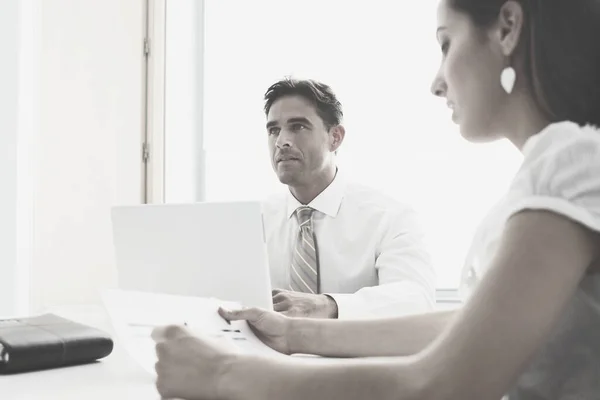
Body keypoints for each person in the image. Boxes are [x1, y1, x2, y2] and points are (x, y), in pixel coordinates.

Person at [152, 0, 600, 398]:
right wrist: (294, 334)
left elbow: (443, 384)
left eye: (446, 44)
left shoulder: (572, 162)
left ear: (507, 28)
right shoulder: (560, 167)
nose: (437, 83)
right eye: (273, 129)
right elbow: (470, 330)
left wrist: (223, 374)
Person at [261, 78, 436, 319]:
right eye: (274, 130)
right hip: (264, 355)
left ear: (335, 137)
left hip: (352, 356)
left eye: (298, 127)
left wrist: (327, 306)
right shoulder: (254, 222)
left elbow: (416, 299)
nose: (281, 142)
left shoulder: (389, 217)